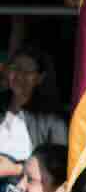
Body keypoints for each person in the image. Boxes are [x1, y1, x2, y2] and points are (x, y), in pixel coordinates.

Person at [0, 47, 66, 180]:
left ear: (39, 78)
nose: (19, 75)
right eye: (15, 68)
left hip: (23, 189)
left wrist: (16, 169)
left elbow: (59, 164)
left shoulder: (52, 118)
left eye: (27, 71)